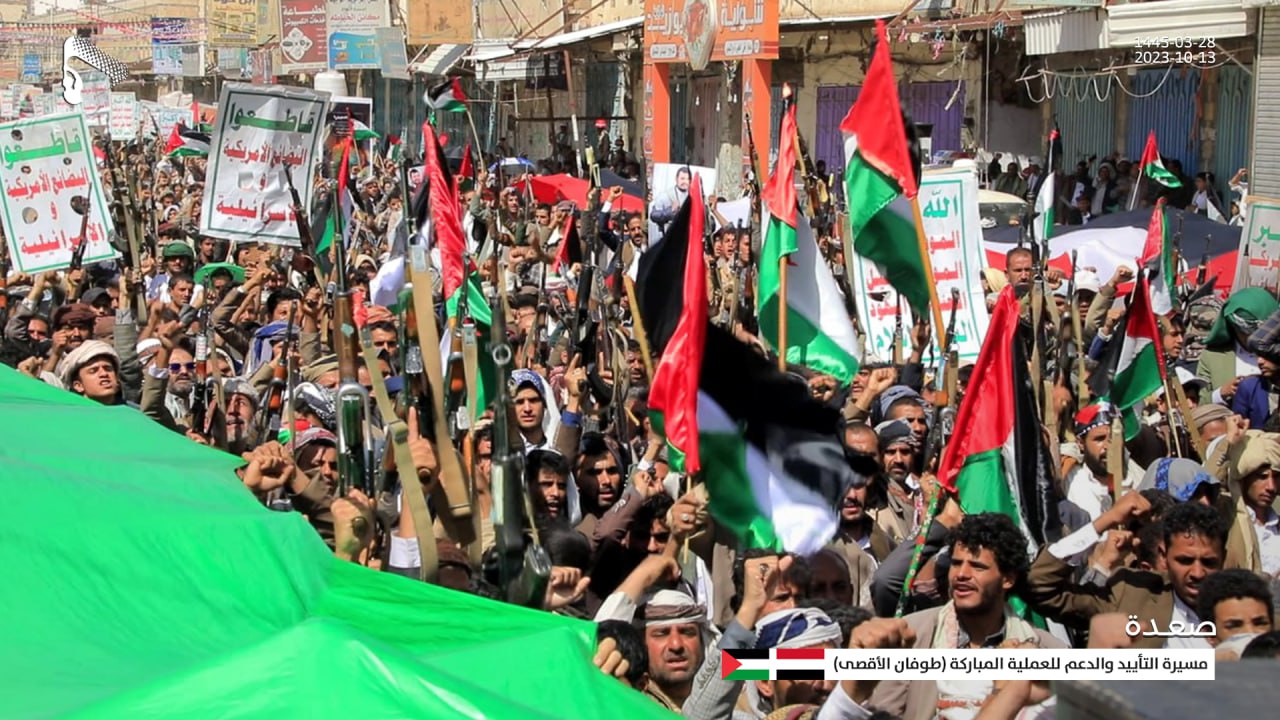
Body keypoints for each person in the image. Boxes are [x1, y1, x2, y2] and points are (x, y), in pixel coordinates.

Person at [869, 514, 1064, 720]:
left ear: (1008, 579)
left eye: (977, 566)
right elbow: (882, 712)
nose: (961, 574)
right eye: (956, 563)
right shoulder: (911, 636)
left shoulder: (1047, 650)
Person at [1027, 497, 1228, 649]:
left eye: (1209, 562)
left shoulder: (1242, 604)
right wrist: (1104, 521)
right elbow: (1040, 587)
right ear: (1164, 556)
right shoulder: (1132, 595)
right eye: (1185, 561)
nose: (1197, 573)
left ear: (1223, 558)